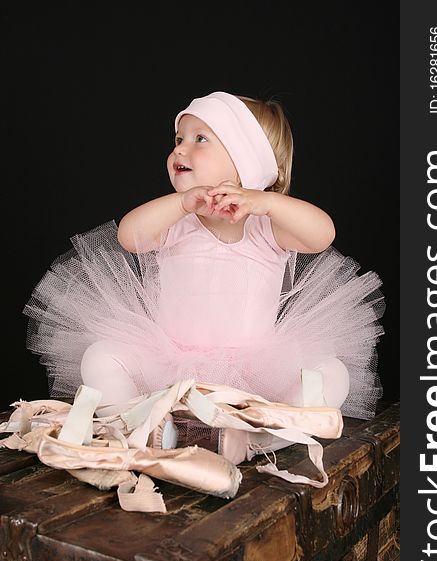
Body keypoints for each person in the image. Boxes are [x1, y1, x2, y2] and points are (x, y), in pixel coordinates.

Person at [24, 91, 384, 424]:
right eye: (179, 139)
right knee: (100, 357)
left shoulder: (266, 226)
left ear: (244, 160)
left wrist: (266, 202)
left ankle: (262, 431)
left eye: (200, 139)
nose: (180, 150)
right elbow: (129, 237)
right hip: (168, 366)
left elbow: (322, 234)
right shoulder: (177, 220)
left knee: (331, 373)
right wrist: (182, 203)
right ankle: (144, 426)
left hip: (257, 373)